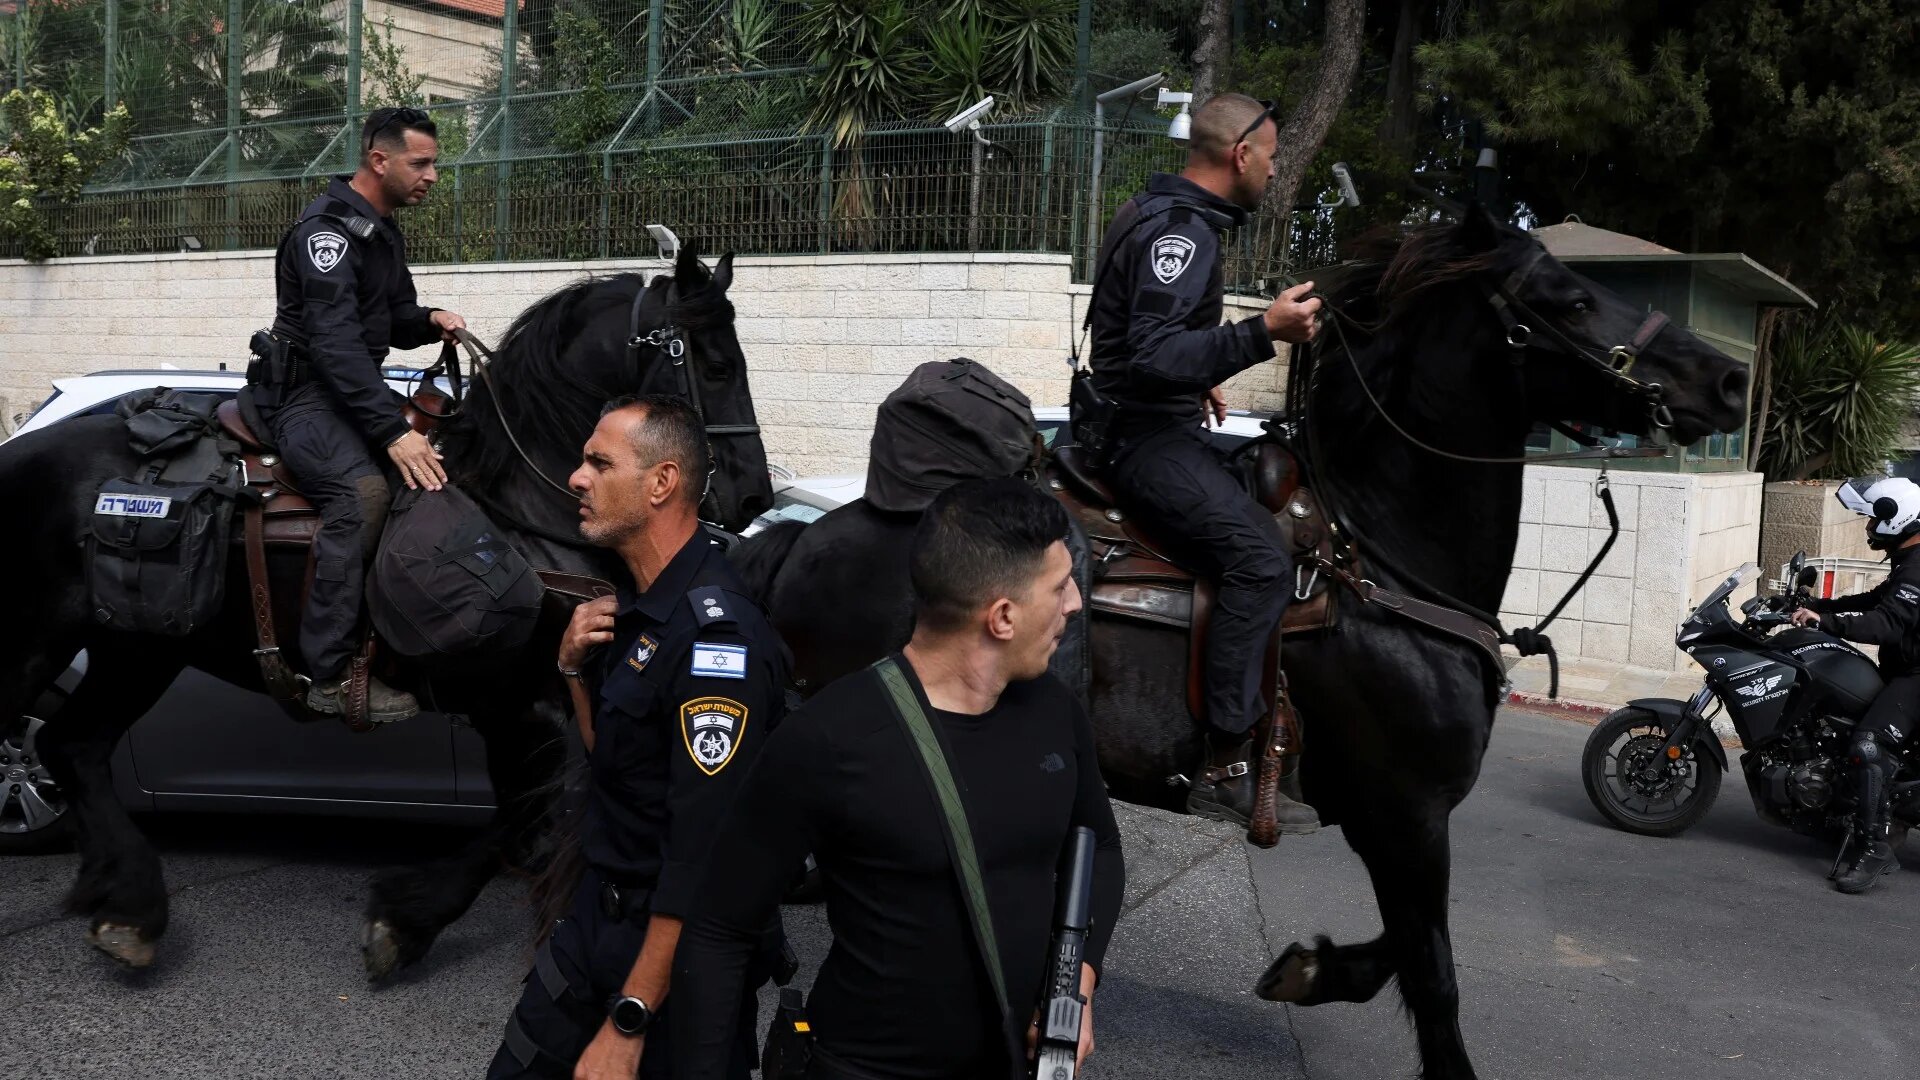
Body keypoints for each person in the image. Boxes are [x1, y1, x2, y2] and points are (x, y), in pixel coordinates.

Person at [671, 478, 1125, 1080]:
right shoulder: (830, 738)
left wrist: (1078, 989)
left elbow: (1103, 848)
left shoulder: (1054, 711)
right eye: (1060, 585)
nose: (1074, 602)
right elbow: (719, 928)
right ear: (1004, 616)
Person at [487, 395, 789, 1079]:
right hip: (595, 918)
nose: (576, 477)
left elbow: (700, 858)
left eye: (600, 462)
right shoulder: (640, 606)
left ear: (661, 482)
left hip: (672, 957)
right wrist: (570, 669)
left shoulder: (719, 642)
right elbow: (615, 762)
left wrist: (631, 1017)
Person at [1084, 92, 1322, 829]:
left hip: (1160, 423)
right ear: (1240, 153)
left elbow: (1142, 340)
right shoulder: (1181, 232)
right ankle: (1225, 762)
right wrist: (1264, 331)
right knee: (1260, 561)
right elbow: (1152, 354)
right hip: (1144, 443)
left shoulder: (1163, 213)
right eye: (1274, 156)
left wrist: (1201, 372)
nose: (1276, 169)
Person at [248, 106, 468, 725]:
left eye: (434, 164)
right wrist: (392, 432)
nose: (432, 176)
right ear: (379, 160)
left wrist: (428, 320)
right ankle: (328, 673)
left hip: (348, 391)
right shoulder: (328, 233)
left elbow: (391, 318)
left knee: (433, 481)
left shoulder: (379, 229)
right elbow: (335, 343)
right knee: (363, 496)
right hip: (303, 399)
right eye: (420, 163)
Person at [1791, 474, 1920, 894]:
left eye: (1870, 521)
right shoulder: (1908, 561)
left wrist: (1825, 622)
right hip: (1905, 669)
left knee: (1868, 744)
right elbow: (1874, 601)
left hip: (1916, 676)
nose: (1867, 528)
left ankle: (1874, 848)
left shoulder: (1918, 569)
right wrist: (1815, 606)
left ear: (1896, 520)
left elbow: (1885, 622)